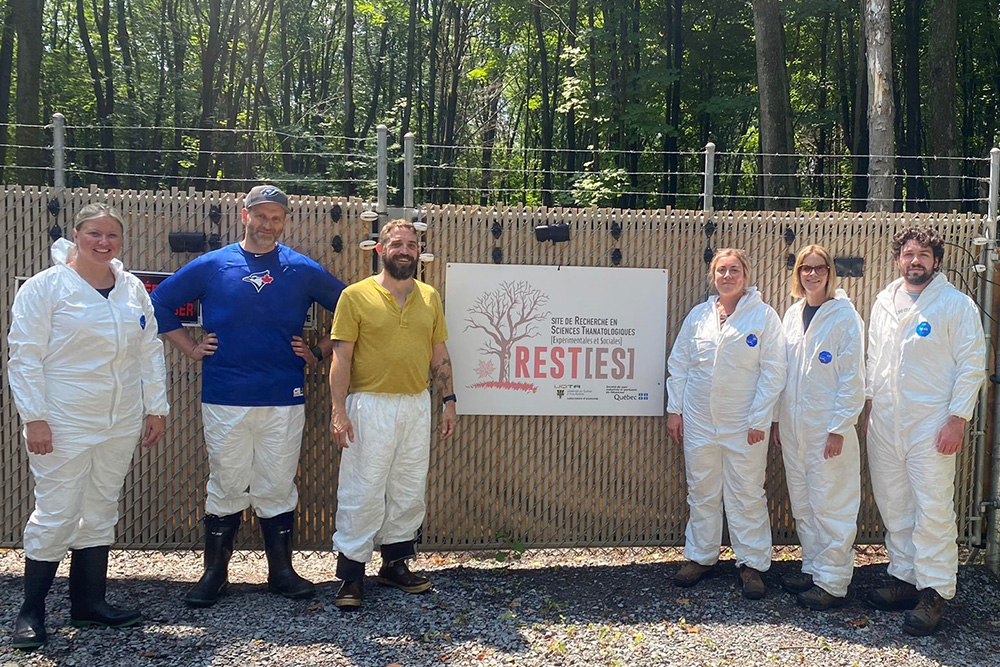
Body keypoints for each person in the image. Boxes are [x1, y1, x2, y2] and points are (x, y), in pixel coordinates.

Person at [151, 185, 345, 607]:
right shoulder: (214, 265)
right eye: (260, 216)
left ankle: (280, 573)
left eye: (276, 218)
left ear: (285, 221)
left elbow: (353, 308)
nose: (267, 225)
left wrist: (318, 350)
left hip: (284, 395)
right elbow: (160, 302)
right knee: (227, 482)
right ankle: (215, 575)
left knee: (277, 483)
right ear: (244, 215)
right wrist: (189, 347)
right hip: (226, 395)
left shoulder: (300, 268)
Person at [7, 204, 169, 650]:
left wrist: (156, 408)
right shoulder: (47, 288)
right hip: (63, 419)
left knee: (100, 507)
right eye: (94, 234)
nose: (103, 242)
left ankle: (89, 604)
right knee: (58, 511)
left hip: (118, 419)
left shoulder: (132, 287)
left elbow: (148, 350)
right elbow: (24, 356)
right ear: (76, 236)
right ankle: (31, 612)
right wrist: (34, 418)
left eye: (112, 235)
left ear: (121, 240)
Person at [328, 219, 457, 610]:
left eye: (412, 244)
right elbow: (341, 356)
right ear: (379, 249)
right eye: (396, 243)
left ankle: (395, 564)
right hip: (370, 404)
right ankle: (351, 574)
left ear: (419, 252)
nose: (405, 250)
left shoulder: (430, 297)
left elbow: (439, 353)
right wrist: (338, 410)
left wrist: (449, 400)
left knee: (408, 485)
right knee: (363, 487)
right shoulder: (355, 296)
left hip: (416, 403)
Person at [865, 226, 985, 636]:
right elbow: (874, 360)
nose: (915, 260)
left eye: (923, 254)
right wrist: (868, 406)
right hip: (885, 421)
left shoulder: (956, 305)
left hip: (932, 423)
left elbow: (972, 365)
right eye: (908, 253)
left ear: (936, 260)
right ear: (898, 257)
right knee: (894, 502)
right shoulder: (884, 301)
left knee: (932, 507)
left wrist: (957, 418)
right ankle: (903, 577)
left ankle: (934, 591)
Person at [666, 248, 786, 599]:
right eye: (721, 270)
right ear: (712, 275)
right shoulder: (699, 317)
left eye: (734, 270)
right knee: (701, 489)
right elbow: (681, 364)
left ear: (746, 275)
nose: (728, 276)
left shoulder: (763, 317)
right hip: (700, 420)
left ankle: (751, 564)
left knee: (747, 493)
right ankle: (701, 556)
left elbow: (773, 371)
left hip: (744, 422)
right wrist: (676, 410)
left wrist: (760, 416)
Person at [774, 245, 865, 611]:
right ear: (798, 274)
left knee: (832, 503)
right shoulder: (793, 315)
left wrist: (839, 427)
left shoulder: (845, 317)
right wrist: (779, 421)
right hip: (796, 428)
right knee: (804, 502)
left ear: (830, 272)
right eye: (805, 268)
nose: (812, 274)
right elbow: (781, 374)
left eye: (819, 268)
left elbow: (853, 378)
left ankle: (833, 581)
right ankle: (813, 568)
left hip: (829, 429)